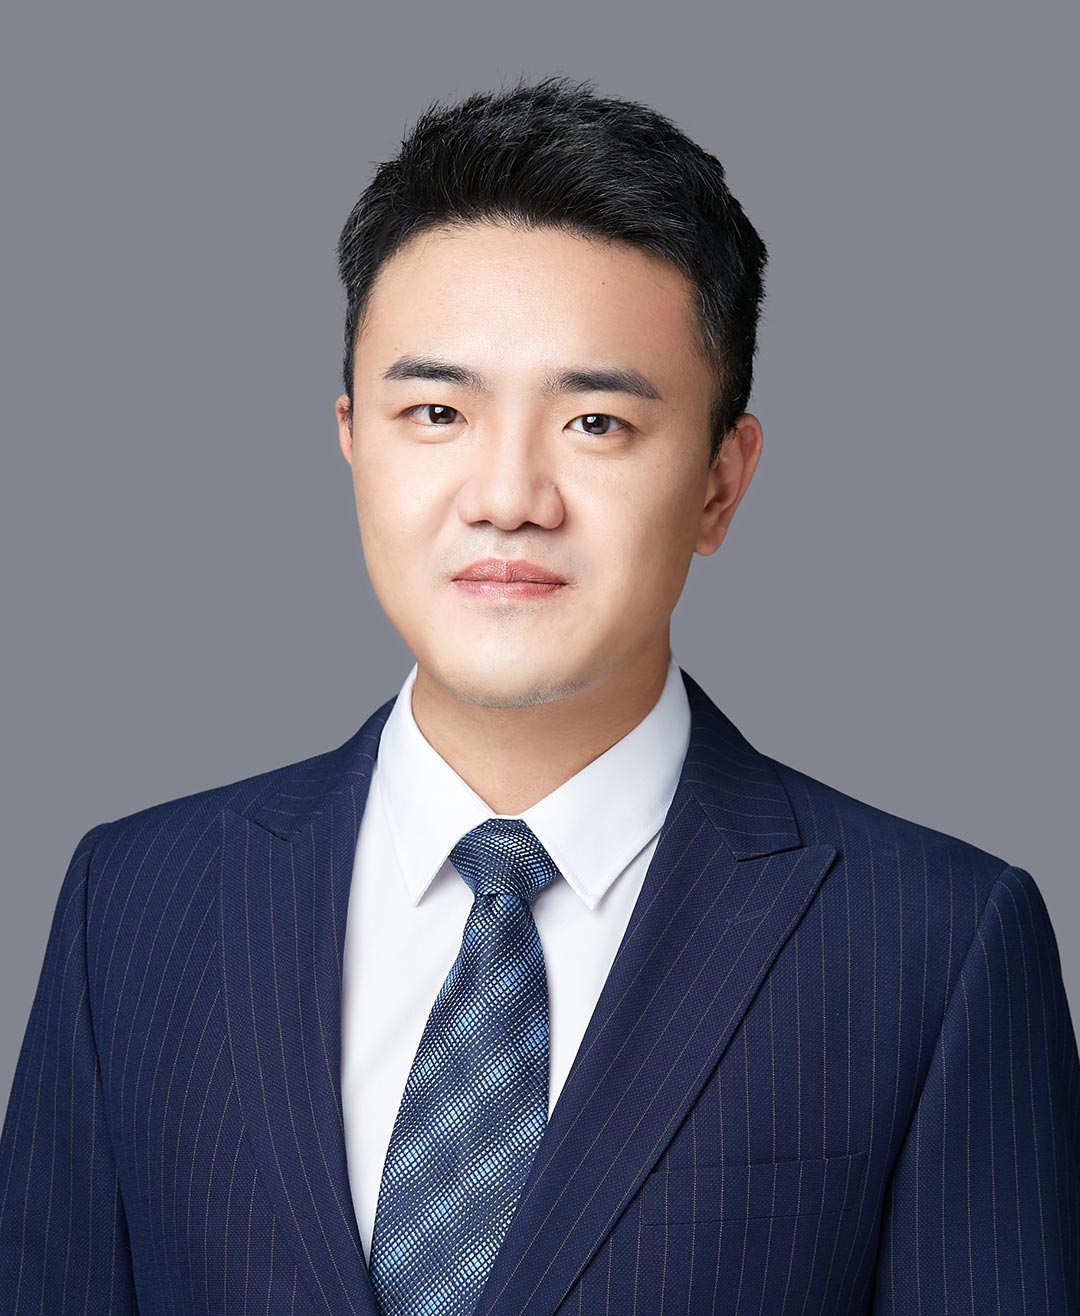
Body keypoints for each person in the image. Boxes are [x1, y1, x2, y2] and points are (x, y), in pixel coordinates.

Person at [1, 74, 1076, 1316]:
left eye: (597, 423)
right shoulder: (134, 905)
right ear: (352, 439)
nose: (508, 496)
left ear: (720, 481)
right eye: (437, 411)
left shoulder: (935, 944)